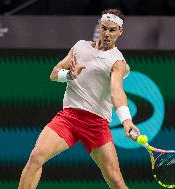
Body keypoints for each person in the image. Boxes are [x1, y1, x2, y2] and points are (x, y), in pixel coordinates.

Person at [18, 8, 139, 189]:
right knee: (36, 157)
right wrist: (69, 75)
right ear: (99, 25)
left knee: (115, 180)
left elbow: (116, 91)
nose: (107, 34)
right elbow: (54, 73)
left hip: (96, 124)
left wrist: (127, 121)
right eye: (104, 28)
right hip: (69, 118)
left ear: (120, 32)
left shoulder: (117, 62)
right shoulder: (80, 47)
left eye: (112, 30)